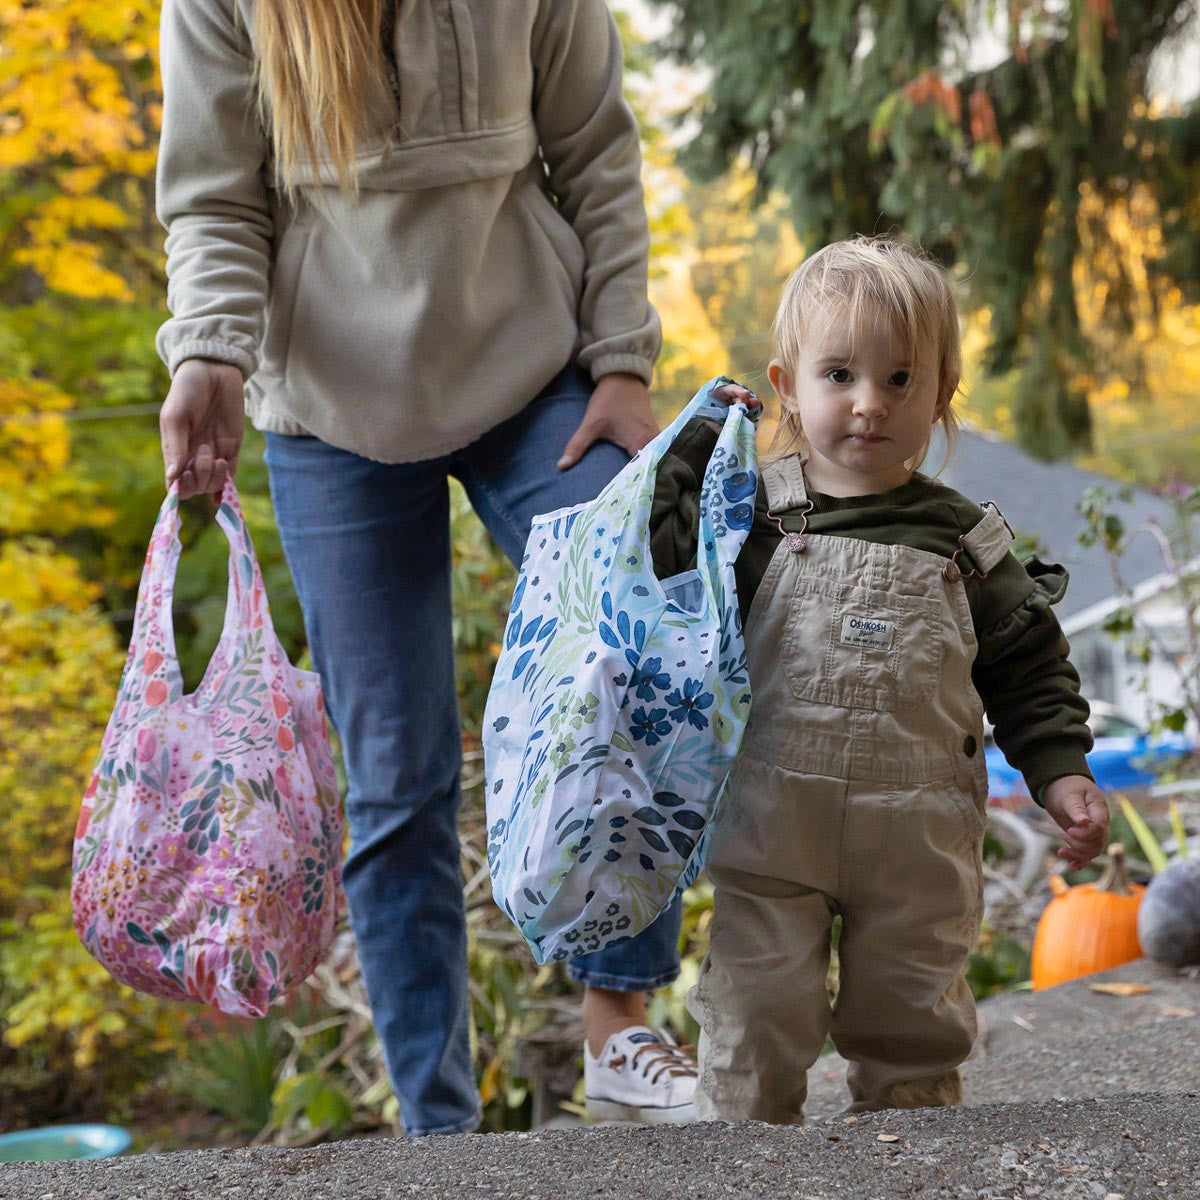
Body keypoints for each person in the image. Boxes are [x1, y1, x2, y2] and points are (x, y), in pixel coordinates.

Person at [154, 0, 695, 1135]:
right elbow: (215, 199)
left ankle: (618, 1020)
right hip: (330, 409)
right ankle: (438, 1136)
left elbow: (597, 151)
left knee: (633, 631)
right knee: (396, 780)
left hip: (534, 370)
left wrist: (622, 361)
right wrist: (208, 350)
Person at [648, 236, 1109, 1123]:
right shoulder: (748, 518)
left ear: (942, 393)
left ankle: (909, 1157)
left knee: (913, 1019)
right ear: (787, 386)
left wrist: (1061, 771)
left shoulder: (965, 542)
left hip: (917, 842)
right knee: (754, 1012)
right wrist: (693, 448)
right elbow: (659, 573)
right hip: (772, 830)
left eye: (901, 379)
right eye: (839, 375)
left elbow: (1028, 666)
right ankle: (745, 1164)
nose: (870, 402)